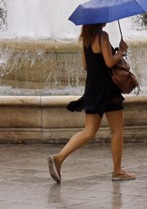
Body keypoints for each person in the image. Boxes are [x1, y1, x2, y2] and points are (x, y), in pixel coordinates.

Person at [47, 23, 135, 183]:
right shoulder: (103, 36)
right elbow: (109, 62)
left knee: (88, 131)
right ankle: (117, 171)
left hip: (93, 87)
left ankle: (59, 158)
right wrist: (121, 51)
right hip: (107, 88)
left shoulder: (85, 39)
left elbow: (86, 65)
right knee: (117, 130)